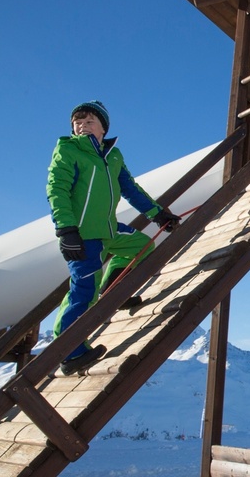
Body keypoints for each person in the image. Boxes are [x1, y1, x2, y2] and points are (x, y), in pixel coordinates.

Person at [47, 101, 180, 375]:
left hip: (108, 229)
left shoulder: (113, 155)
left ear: (103, 127)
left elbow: (131, 189)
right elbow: (56, 188)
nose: (82, 126)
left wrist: (158, 214)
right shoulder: (69, 150)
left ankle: (113, 289)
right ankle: (69, 351)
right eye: (77, 123)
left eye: (89, 121)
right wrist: (66, 229)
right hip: (82, 234)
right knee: (83, 292)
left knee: (142, 245)